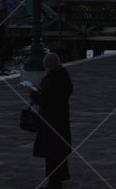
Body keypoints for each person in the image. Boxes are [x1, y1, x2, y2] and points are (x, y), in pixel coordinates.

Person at [30, 53, 73, 189]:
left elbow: (44, 102)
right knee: (59, 151)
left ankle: (54, 182)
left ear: (49, 66)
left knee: (51, 152)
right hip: (62, 120)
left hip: (50, 121)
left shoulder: (51, 80)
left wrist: (33, 93)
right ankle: (59, 178)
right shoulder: (64, 78)